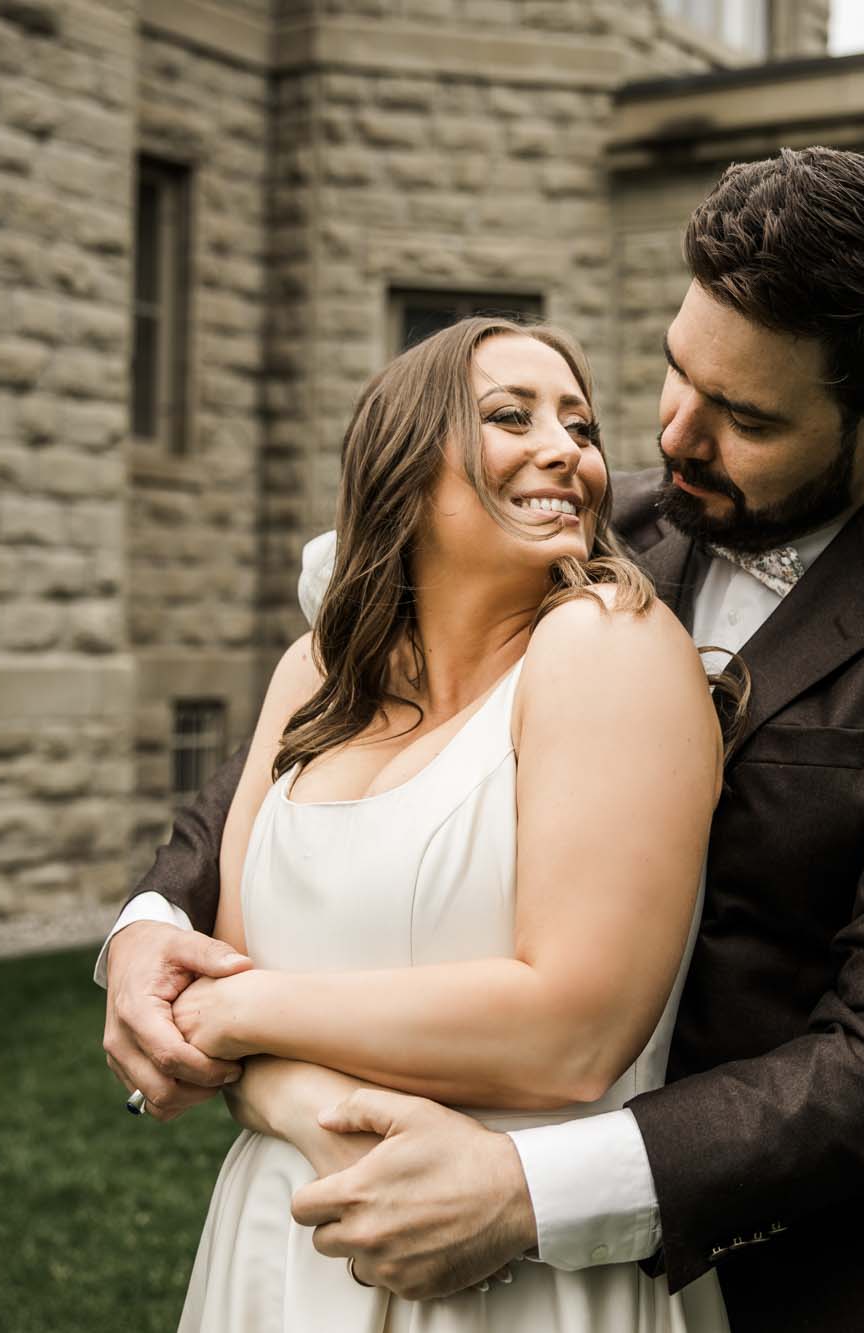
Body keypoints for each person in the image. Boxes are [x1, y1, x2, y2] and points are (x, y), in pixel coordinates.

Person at [102, 146, 864, 1333]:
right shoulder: (569, 513)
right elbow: (331, 739)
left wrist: (532, 1192)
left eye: (742, 416)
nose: (674, 435)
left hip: (808, 1278)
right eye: (677, 372)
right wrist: (150, 928)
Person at [154, 315, 733, 1330]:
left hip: (510, 1257)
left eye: (581, 426)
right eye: (510, 416)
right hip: (287, 1230)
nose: (567, 449)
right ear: (399, 466)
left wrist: (244, 1019)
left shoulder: (608, 644)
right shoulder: (311, 674)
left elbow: (572, 1030)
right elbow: (227, 980)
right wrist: (307, 1121)